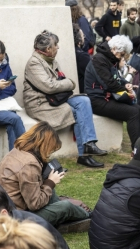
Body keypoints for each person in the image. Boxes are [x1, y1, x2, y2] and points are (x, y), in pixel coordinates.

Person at [24, 30, 107, 168]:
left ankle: (89, 145)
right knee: (76, 111)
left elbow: (57, 83)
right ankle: (83, 155)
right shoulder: (34, 63)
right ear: (48, 49)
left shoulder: (50, 60)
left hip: (55, 98)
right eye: (56, 45)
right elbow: (49, 86)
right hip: (40, 103)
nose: (58, 47)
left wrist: (64, 83)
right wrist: (70, 83)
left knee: (84, 101)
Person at [0, 122, 92, 231]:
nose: (49, 153)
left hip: (9, 210)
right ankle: (88, 216)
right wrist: (50, 182)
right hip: (19, 220)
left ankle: (63, 214)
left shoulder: (17, 150)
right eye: (51, 150)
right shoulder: (29, 164)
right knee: (66, 206)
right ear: (45, 146)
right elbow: (35, 204)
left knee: (51, 192)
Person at [84, 35, 140, 149]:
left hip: (106, 97)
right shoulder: (99, 59)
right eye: (122, 54)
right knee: (133, 113)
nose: (121, 57)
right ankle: (138, 150)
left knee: (138, 109)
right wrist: (125, 89)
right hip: (97, 100)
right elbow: (109, 83)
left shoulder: (109, 58)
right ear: (115, 49)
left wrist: (124, 83)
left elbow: (115, 78)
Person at [73, 23, 91, 93]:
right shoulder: (83, 56)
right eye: (83, 36)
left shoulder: (73, 52)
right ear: (79, 41)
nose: (84, 37)